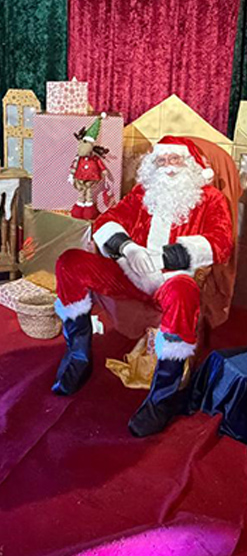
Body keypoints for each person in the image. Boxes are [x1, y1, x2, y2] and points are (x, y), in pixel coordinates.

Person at [52, 136, 234, 437]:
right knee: (69, 263)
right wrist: (128, 248)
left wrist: (165, 257)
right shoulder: (142, 193)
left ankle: (162, 398)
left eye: (175, 159)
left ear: (190, 164)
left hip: (172, 280)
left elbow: (220, 243)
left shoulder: (211, 199)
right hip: (130, 274)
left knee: (184, 292)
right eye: (161, 160)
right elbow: (106, 221)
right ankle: (78, 358)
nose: (168, 166)